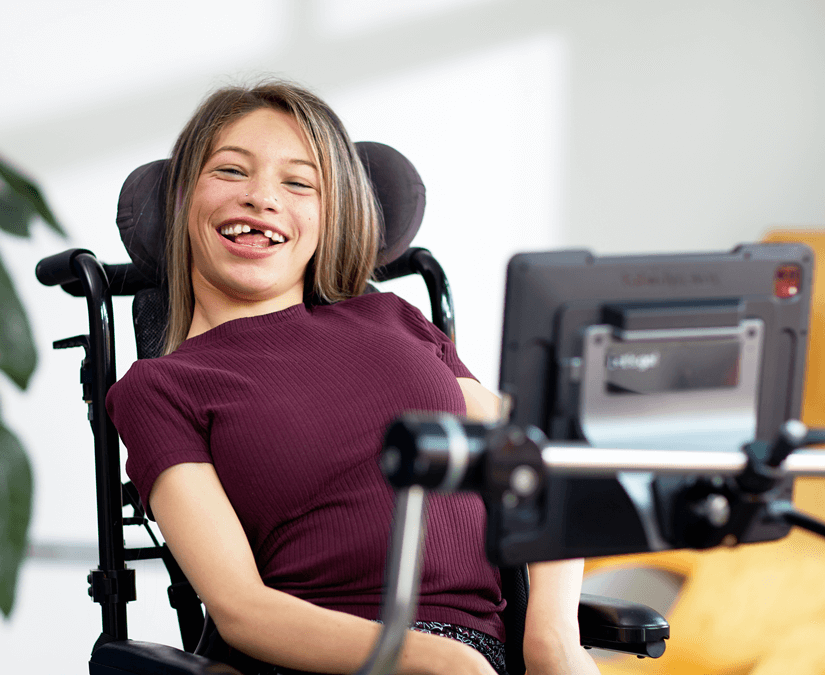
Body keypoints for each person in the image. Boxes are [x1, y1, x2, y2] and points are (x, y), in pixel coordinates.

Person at [106, 80, 600, 675]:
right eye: (232, 172)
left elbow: (546, 460)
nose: (262, 198)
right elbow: (240, 608)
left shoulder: (395, 321)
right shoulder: (160, 388)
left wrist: (552, 640)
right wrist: (436, 660)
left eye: (298, 182)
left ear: (328, 216)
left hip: (481, 656)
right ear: (183, 199)